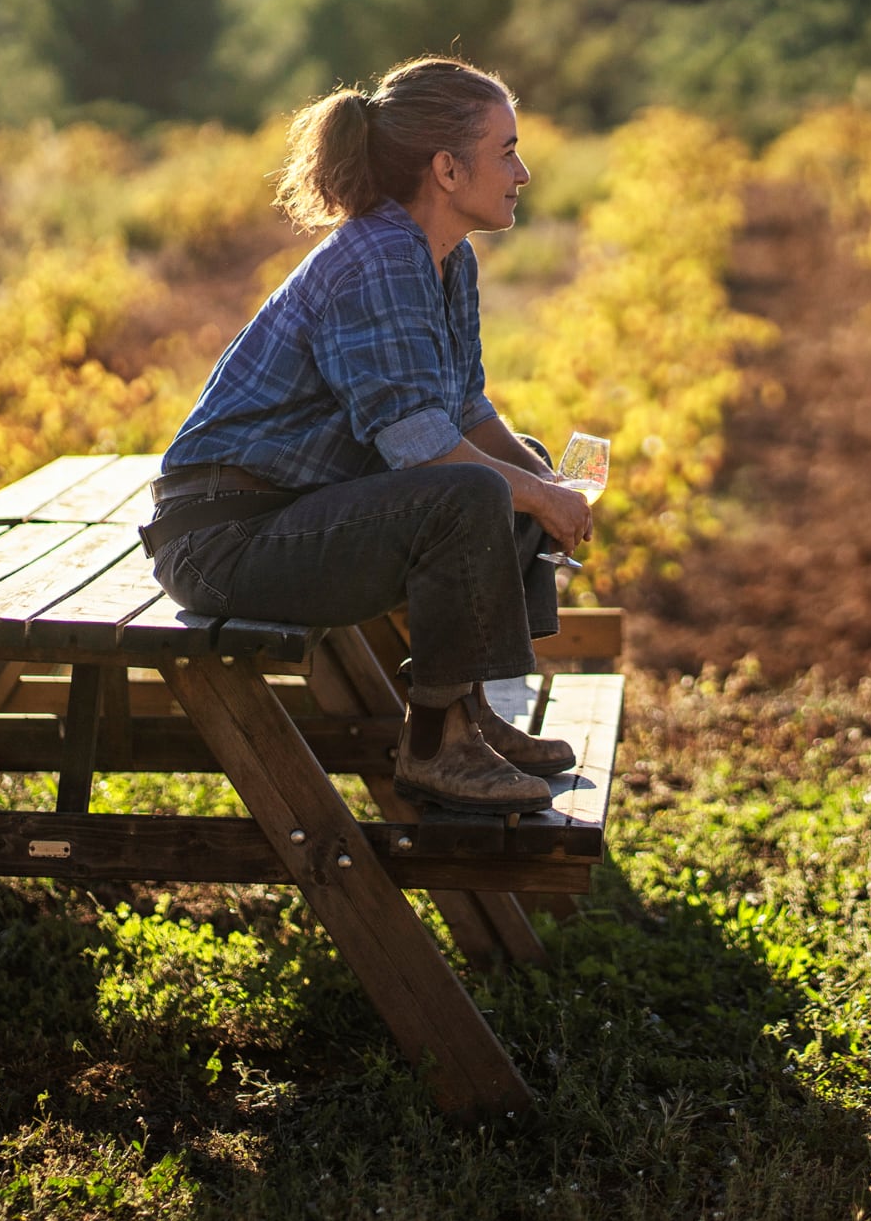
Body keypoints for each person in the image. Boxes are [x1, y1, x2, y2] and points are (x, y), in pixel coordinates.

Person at [143, 57, 593, 814]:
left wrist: (549, 488)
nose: (523, 170)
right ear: (447, 169)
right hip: (225, 540)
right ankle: (433, 749)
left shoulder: (447, 260)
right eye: (507, 150)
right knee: (473, 491)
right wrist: (536, 497)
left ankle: (466, 714)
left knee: (515, 475)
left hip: (286, 518)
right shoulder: (381, 256)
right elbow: (419, 443)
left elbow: (468, 411)